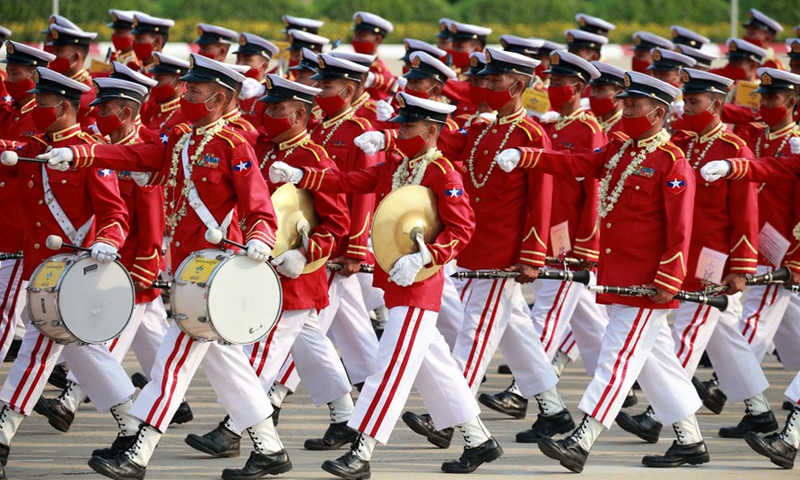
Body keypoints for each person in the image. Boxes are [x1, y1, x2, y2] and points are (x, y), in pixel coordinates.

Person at [42, 54, 290, 480]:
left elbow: (259, 205)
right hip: (187, 275)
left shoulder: (233, 145)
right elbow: (132, 156)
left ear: (218, 98)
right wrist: (79, 154)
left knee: (170, 365)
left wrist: (260, 238)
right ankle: (269, 449)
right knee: (230, 369)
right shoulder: (180, 141)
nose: (184, 94)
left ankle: (137, 454)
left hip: (214, 277)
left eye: (194, 90)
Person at [270, 91, 503, 478]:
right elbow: (347, 181)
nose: (400, 133)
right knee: (438, 367)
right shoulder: (398, 165)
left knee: (389, 369)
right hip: (397, 283)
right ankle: (479, 441)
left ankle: (361, 452)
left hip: (419, 285)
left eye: (408, 127)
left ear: (431, 131)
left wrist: (425, 256)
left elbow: (463, 227)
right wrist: (301, 176)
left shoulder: (443, 172)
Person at [495, 71, 708, 472]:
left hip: (648, 282)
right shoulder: (622, 151)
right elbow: (577, 161)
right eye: (624, 103)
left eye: (634, 105)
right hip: (622, 276)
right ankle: (691, 441)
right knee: (654, 360)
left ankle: (583, 438)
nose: (624, 109)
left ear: (659, 112)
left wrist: (668, 279)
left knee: (618, 359)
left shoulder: (671, 162)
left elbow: (681, 229)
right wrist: (528, 156)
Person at [617, 67, 775, 444]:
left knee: (689, 329)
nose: (686, 107)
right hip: (685, 254)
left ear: (717, 105)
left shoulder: (734, 150)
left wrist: (740, 267)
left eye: (694, 101)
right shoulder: (683, 143)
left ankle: (659, 417)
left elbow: (745, 214)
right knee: (721, 334)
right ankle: (759, 411)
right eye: (685, 100)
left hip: (714, 259)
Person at [0, 67, 136, 480]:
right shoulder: (36, 146)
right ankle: (134, 427)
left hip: (72, 276)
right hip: (42, 270)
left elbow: (116, 213)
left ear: (62, 107)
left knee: (36, 353)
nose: (35, 110)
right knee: (88, 354)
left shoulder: (90, 154)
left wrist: (109, 240)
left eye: (41, 105)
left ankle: (1, 435)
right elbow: (11, 152)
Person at [479, 51, 611, 430]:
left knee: (550, 313)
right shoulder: (555, 125)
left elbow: (594, 191)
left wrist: (586, 243)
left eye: (560, 83)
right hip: (551, 229)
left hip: (569, 236)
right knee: (590, 323)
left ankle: (522, 393)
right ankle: (552, 407)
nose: (553, 89)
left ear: (578, 88)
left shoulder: (588, 129)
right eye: (550, 82)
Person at [0, 41, 54, 364]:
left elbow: (30, 151)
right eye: (7, 71)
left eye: (15, 73)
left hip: (20, 227)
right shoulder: (8, 111)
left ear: (33, 76)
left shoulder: (40, 117)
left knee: (6, 311)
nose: (8, 78)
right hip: (4, 222)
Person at [235, 33, 280, 130]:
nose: (240, 64)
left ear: (264, 66)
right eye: (238, 59)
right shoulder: (232, 86)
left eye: (247, 60)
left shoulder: (272, 93)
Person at [351, 12, 396, 101]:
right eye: (355, 34)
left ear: (378, 39)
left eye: (361, 35)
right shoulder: (351, 63)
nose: (356, 39)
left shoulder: (379, 71)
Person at [588, 61, 625, 134]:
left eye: (600, 90)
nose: (593, 95)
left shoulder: (625, 127)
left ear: (619, 94)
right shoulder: (589, 122)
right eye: (592, 89)